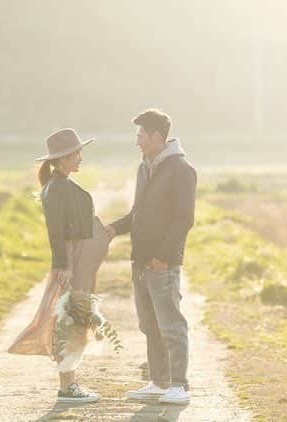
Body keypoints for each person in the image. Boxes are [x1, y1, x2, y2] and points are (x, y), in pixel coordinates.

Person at [8, 128, 110, 404]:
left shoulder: (62, 184)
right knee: (70, 319)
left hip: (77, 260)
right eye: (76, 153)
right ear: (63, 158)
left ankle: (70, 384)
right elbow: (56, 232)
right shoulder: (56, 189)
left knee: (75, 317)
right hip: (70, 260)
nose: (80, 158)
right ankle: (68, 387)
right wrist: (64, 266)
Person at [105, 109, 197, 405]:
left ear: (158, 137)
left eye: (141, 137)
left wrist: (163, 256)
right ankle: (159, 382)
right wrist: (112, 229)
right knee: (149, 325)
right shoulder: (145, 168)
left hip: (162, 263)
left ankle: (179, 386)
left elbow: (184, 219)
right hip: (140, 261)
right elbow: (137, 214)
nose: (138, 143)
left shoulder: (182, 170)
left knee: (171, 325)